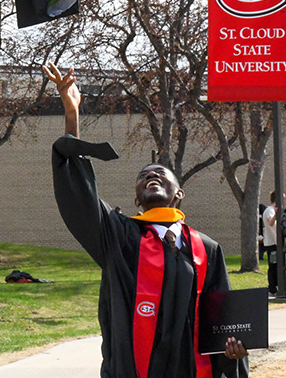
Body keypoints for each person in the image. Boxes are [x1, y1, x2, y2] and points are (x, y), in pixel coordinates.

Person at [45, 63, 249, 378]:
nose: (151, 174)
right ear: (137, 199)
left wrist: (233, 353)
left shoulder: (207, 249)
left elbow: (222, 320)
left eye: (160, 173)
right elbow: (80, 198)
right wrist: (72, 118)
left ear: (179, 192)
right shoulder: (120, 237)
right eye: (143, 177)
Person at [261, 191, 278, 297]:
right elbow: (271, 222)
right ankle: (272, 288)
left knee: (277, 266)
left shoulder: (271, 210)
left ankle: (276, 285)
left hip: (276, 242)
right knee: (273, 266)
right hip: (272, 243)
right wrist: (276, 214)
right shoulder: (269, 211)